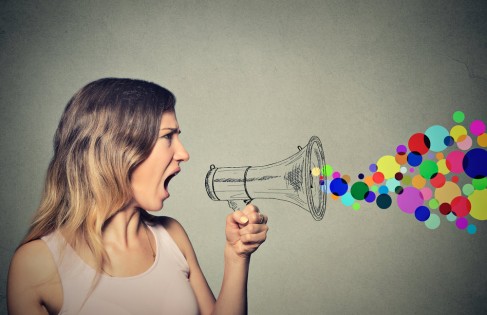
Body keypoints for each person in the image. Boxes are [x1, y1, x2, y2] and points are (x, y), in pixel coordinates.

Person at [7, 78, 268, 315]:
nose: (183, 153)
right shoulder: (36, 265)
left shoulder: (172, 235)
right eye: (168, 136)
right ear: (117, 149)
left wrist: (237, 257)